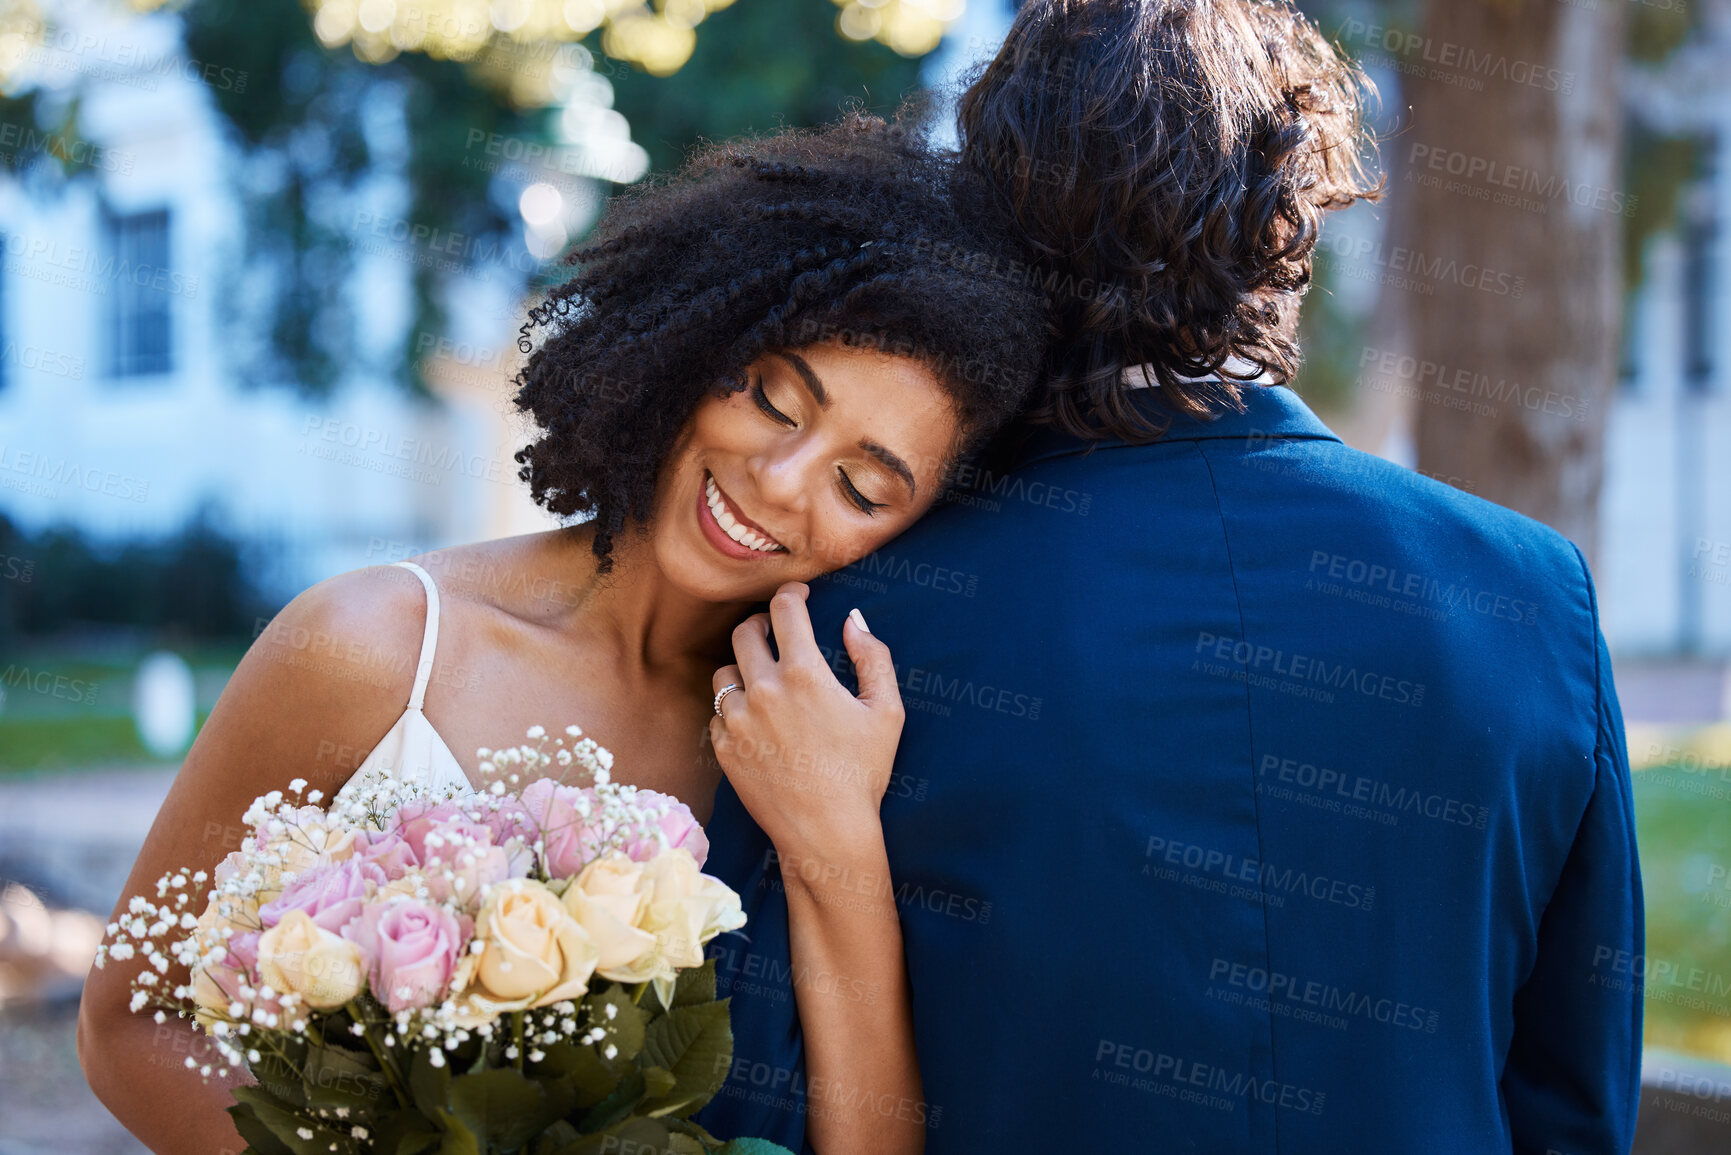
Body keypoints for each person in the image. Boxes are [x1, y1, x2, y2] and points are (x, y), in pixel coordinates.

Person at [697, 1, 1644, 1152]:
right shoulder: (1536, 596)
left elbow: (754, 1100)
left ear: (999, 230)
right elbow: (1574, 1105)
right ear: (1291, 226)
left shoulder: (843, 629)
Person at [76, 113, 1048, 1155]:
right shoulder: (369, 647)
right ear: (695, 337)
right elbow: (132, 1020)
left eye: (860, 485)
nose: (778, 482)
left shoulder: (829, 748)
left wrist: (835, 840)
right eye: (772, 397)